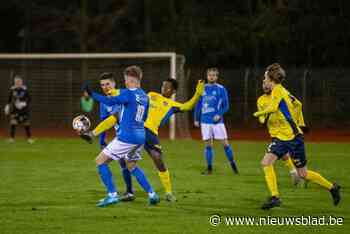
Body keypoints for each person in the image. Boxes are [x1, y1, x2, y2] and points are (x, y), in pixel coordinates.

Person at [81, 78, 205, 202]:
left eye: (167, 87)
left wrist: (198, 93)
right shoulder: (151, 95)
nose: (164, 88)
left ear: (173, 91)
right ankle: (93, 134)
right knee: (117, 119)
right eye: (163, 85)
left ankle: (168, 192)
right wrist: (114, 91)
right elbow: (133, 96)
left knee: (157, 160)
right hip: (137, 128)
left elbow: (188, 106)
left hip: (150, 133)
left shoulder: (172, 105)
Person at [253, 63, 341, 210]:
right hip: (282, 138)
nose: (264, 80)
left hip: (292, 138)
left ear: (270, 78)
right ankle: (275, 197)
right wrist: (301, 122)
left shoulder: (278, 91)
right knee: (266, 162)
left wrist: (259, 113)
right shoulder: (278, 93)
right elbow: (298, 104)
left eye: (265, 77)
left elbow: (275, 107)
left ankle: (332, 188)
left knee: (303, 174)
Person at [84, 65, 160, 207]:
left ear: (131, 79)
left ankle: (112, 195)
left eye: (126, 79)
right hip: (140, 136)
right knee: (132, 166)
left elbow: (109, 101)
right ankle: (152, 194)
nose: (125, 82)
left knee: (100, 161)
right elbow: (144, 117)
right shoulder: (144, 95)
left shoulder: (128, 93)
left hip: (127, 136)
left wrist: (92, 94)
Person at [257, 77, 305, 186]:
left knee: (289, 157)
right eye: (263, 83)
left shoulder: (279, 94)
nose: (264, 85)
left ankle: (299, 174)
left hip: (288, 132)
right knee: (282, 155)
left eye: (266, 83)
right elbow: (262, 120)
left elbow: (297, 105)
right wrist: (264, 116)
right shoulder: (260, 100)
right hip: (275, 133)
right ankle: (295, 173)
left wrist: (299, 122)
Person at [194, 67, 238, 175]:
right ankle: (209, 169)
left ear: (217, 77)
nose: (211, 77)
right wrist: (196, 118)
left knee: (225, 144)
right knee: (208, 146)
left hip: (217, 122)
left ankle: (233, 166)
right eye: (210, 75)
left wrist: (219, 114)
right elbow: (198, 104)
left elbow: (226, 105)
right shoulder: (202, 88)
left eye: (214, 75)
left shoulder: (221, 89)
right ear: (207, 76)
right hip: (205, 121)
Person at [5, 75, 33, 143]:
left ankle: (29, 139)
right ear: (14, 82)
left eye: (18, 81)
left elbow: (29, 98)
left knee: (26, 124)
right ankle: (12, 139)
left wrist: (24, 103)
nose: (17, 83)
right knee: (13, 123)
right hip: (15, 109)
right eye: (16, 81)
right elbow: (9, 99)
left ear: (21, 82)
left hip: (24, 110)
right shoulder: (12, 89)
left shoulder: (25, 89)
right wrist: (7, 106)